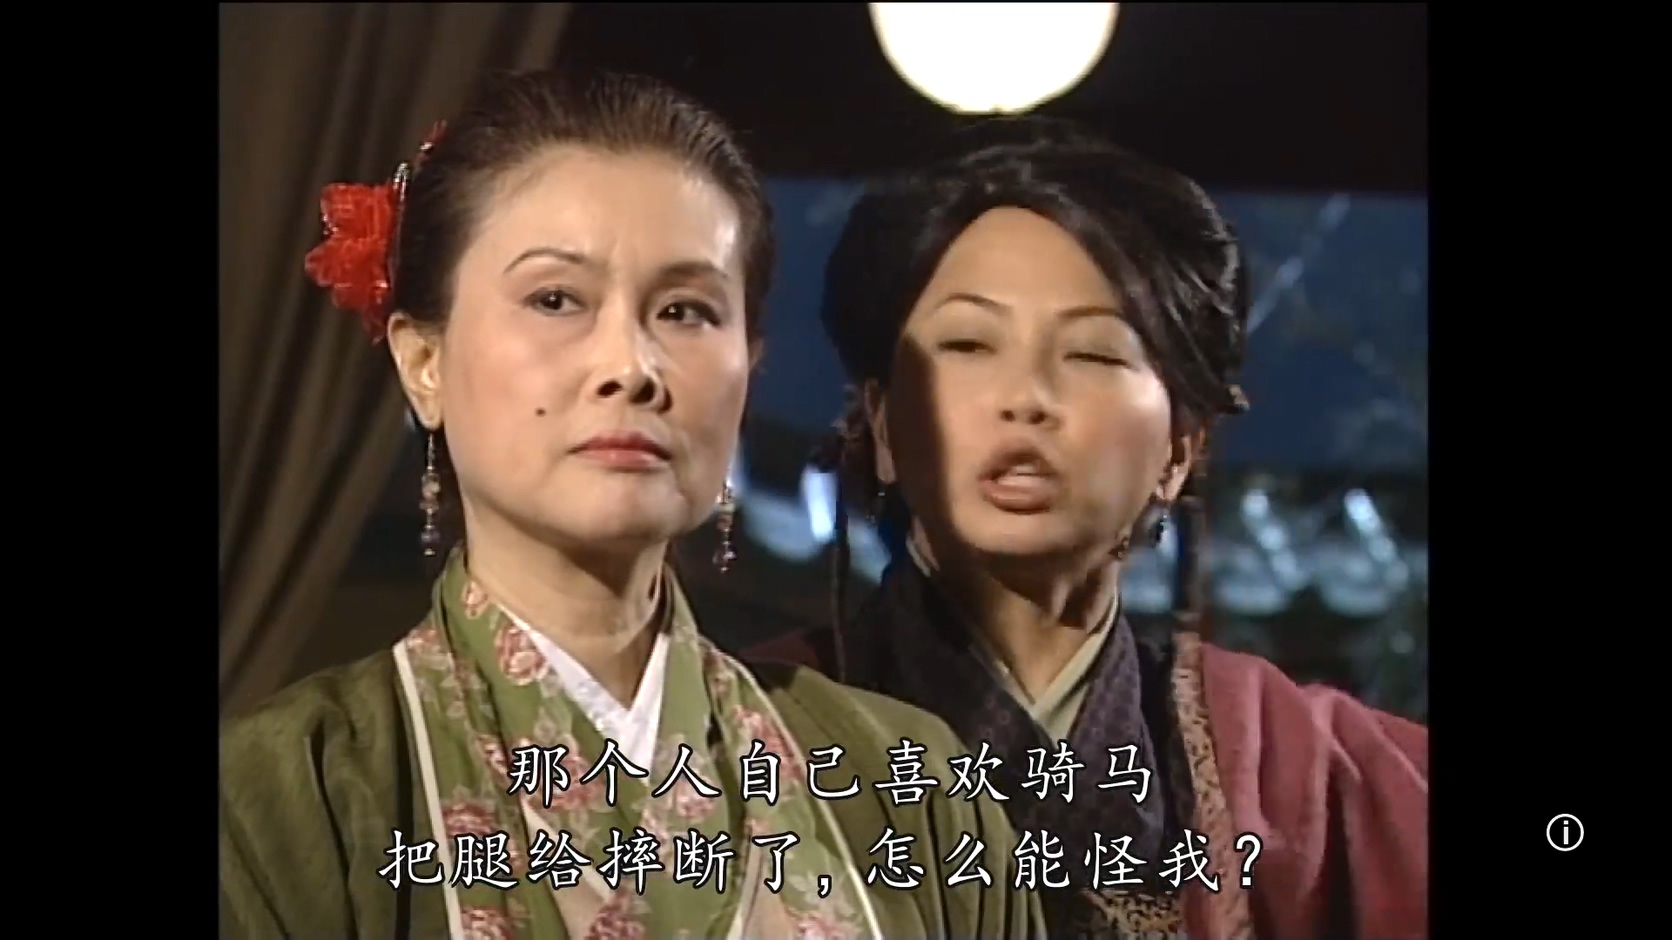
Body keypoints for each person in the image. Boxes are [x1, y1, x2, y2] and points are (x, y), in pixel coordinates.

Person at [219, 69, 1042, 940]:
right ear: (424, 361)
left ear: (749, 368)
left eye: (686, 310)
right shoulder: (288, 794)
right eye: (555, 300)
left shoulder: (908, 785)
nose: (631, 366)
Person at [750, 117, 1428, 939]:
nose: (1026, 397)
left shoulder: (1299, 770)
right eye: (969, 343)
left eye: (1094, 354)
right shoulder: (747, 726)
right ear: (885, 425)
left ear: (1179, 451)